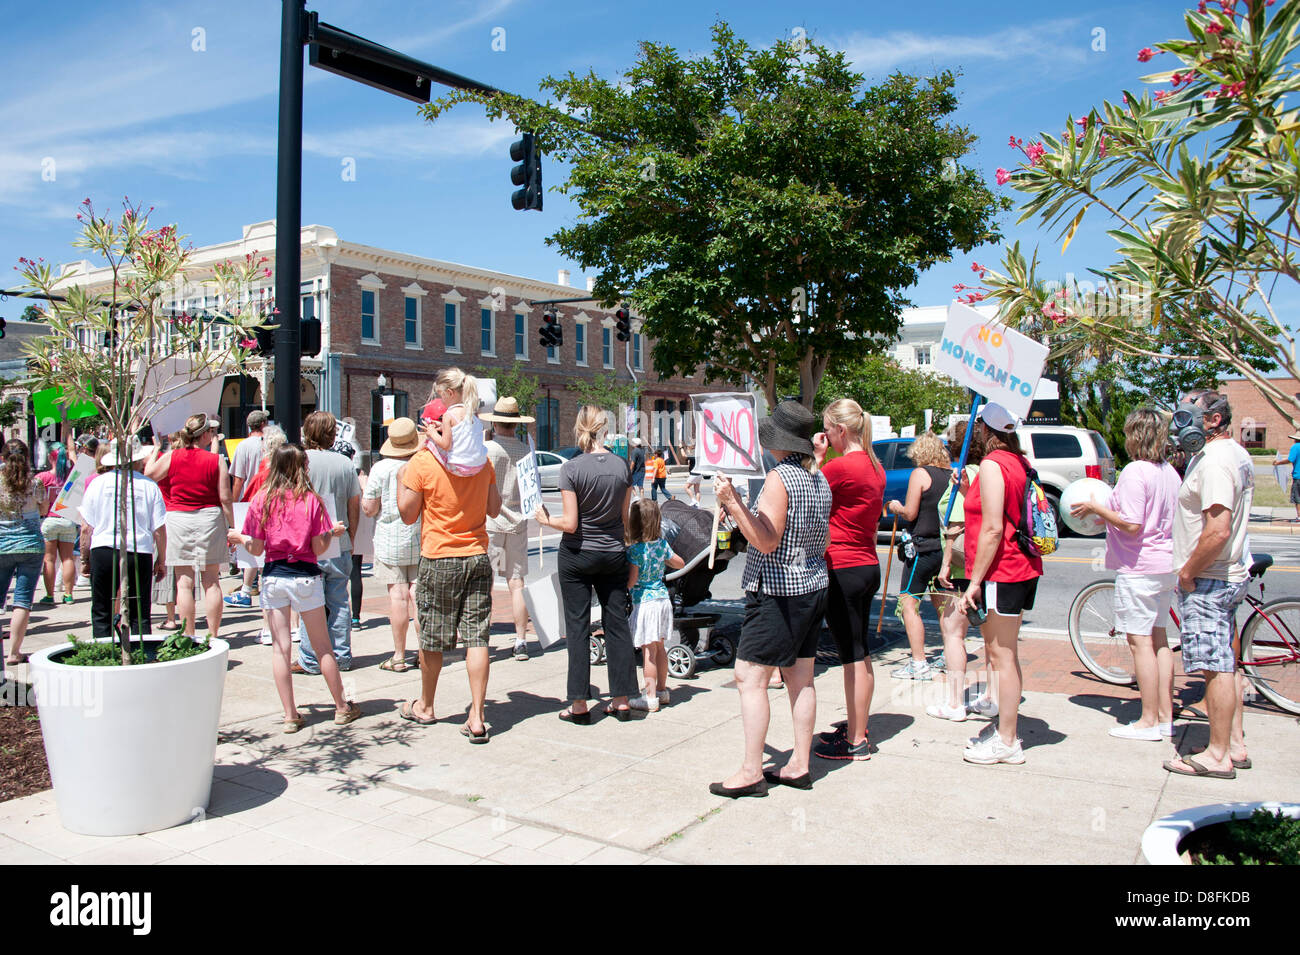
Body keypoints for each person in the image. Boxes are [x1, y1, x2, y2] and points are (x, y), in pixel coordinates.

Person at [710, 401, 831, 797]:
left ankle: (750, 771)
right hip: (812, 583)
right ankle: (799, 763)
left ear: (778, 441)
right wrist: (739, 511)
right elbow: (807, 536)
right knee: (801, 678)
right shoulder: (818, 479)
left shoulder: (780, 478)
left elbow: (765, 540)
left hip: (778, 592)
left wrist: (731, 502)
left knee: (749, 677)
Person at [228, 444, 361, 733]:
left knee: (280, 649)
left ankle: (290, 715)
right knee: (323, 646)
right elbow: (319, 546)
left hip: (275, 577)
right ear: (301, 467)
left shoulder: (262, 498)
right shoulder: (311, 500)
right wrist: (332, 533)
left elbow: (256, 547)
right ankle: (341, 707)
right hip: (305, 577)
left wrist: (240, 538)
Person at [1070, 408, 1181, 740]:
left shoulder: (1136, 471)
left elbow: (1132, 523)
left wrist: (1096, 509)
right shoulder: (1169, 473)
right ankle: (1164, 716)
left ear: (1135, 435)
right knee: (1159, 639)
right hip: (1165, 564)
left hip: (1140, 566)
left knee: (1139, 641)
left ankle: (1148, 720)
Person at [1164, 391, 1255, 779]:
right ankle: (1233, 742)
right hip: (1227, 575)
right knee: (1227, 664)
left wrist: (1188, 572)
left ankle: (1217, 754)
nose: (1178, 421)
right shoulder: (1234, 454)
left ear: (1213, 421)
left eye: (1187, 413)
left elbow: (1217, 530)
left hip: (1211, 578)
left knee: (1214, 667)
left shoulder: (1216, 461)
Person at [397, 406, 501, 742]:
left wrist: (403, 482)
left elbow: (407, 515)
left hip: (440, 557)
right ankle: (478, 716)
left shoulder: (423, 462)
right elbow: (494, 508)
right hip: (476, 555)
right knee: (477, 637)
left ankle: (426, 706)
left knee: (432, 637)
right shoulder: (481, 462)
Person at [956, 403, 1044, 766]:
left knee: (1002, 655)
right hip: (1021, 567)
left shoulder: (993, 465)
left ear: (985, 431)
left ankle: (1008, 740)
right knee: (1003, 653)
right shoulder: (1018, 462)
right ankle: (1006, 729)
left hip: (1002, 570)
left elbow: (993, 528)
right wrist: (967, 491)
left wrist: (973, 582)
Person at [535, 406, 636, 723]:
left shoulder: (572, 468)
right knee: (616, 625)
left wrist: (546, 519)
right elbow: (625, 520)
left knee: (578, 627)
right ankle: (621, 700)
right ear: (605, 429)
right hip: (613, 552)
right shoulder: (622, 467)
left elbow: (571, 523)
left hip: (578, 554)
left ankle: (579, 704)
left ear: (580, 428)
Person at [808, 399, 884, 760]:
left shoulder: (840, 467)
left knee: (851, 656)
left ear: (840, 430)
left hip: (843, 566)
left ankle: (856, 741)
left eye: (827, 429)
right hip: (867, 565)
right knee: (861, 651)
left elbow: (808, 494)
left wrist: (819, 458)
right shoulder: (875, 466)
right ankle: (858, 723)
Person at [145, 414, 233, 639]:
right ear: (205, 434)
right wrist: (232, 526)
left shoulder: (173, 456)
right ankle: (213, 635)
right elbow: (225, 498)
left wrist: (157, 449)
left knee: (184, 582)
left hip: (179, 518)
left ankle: (189, 634)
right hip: (209, 518)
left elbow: (149, 474)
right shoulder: (216, 460)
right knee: (211, 581)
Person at [78, 437, 167, 645]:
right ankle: (140, 652)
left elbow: (86, 527)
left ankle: (103, 652)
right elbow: (159, 529)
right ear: (137, 459)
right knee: (139, 610)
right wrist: (161, 558)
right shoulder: (148, 485)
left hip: (104, 548)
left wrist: (85, 557)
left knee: (102, 609)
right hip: (139, 550)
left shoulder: (98, 483)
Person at [929, 420, 988, 721]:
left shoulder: (963, 474)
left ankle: (954, 702)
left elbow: (955, 525)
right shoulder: (991, 471)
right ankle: (990, 698)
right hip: (989, 562)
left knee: (953, 634)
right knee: (992, 637)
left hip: (963, 563)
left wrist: (944, 565)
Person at [294, 412, 360, 675]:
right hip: (339, 538)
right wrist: (351, 536)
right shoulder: (345, 464)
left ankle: (310, 658)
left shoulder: (301, 463)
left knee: (309, 604)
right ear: (333, 434)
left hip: (308, 542)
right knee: (340, 602)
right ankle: (341, 656)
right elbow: (354, 502)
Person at [886, 432, 952, 680]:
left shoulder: (921, 474)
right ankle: (949, 654)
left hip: (922, 547)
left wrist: (895, 507)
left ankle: (918, 662)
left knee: (908, 604)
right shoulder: (949, 475)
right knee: (942, 605)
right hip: (943, 547)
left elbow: (911, 513)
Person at [362, 417, 422, 672]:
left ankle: (399, 655)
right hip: (420, 536)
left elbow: (369, 508)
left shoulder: (380, 468)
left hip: (389, 537)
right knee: (419, 596)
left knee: (397, 597)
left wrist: (364, 487)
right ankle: (424, 652)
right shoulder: (422, 464)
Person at [480, 397, 536, 662]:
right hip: (517, 521)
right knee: (516, 583)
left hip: (490, 522)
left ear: (495, 422)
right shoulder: (526, 451)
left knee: (485, 582)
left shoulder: (487, 450)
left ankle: (481, 638)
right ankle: (521, 641)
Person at [626, 498, 685, 712]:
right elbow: (679, 563)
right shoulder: (662, 544)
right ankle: (662, 690)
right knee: (660, 648)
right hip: (662, 599)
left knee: (648, 651)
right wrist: (664, 561)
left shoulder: (635, 550)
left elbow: (631, 581)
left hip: (645, 602)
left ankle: (649, 696)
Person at [0, 440, 49, 666]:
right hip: (30, 544)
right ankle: (14, 653)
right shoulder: (35, 482)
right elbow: (43, 509)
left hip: (2, 544)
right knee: (22, 600)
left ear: (3, 456)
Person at [224, 410, 269, 609]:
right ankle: (256, 587)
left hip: (250, 500)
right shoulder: (270, 444)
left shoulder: (243, 446)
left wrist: (235, 505)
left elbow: (238, 480)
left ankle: (247, 589)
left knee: (249, 547)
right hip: (269, 498)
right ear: (264, 423)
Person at [426, 367, 488, 477]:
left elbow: (446, 445)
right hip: (480, 464)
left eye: (442, 395)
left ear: (449, 393)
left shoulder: (449, 415)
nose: (441, 400)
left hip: (459, 467)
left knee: (430, 442)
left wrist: (432, 432)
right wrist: (443, 427)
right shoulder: (472, 412)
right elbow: (463, 431)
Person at [36, 443, 77, 605]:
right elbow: (73, 453)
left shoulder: (43, 477)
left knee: (49, 559)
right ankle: (68, 594)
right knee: (67, 559)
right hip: (67, 519)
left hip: (49, 520)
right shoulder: (71, 476)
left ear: (50, 457)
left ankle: (50, 595)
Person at [1283, 431, 1300, 521]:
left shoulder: (1295, 447)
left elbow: (1290, 459)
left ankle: (1299, 516)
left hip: (1298, 476)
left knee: (1297, 497)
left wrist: (1278, 463)